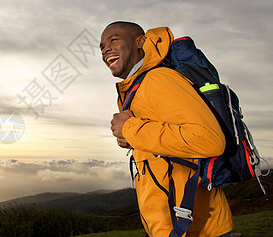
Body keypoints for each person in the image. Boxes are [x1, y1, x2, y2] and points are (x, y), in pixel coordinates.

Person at [99, 21, 234, 236]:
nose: (106, 49)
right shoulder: (138, 87)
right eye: (102, 46)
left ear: (140, 42)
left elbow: (208, 139)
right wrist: (130, 137)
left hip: (197, 228)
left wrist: (131, 128)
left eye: (113, 40)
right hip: (173, 225)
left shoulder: (159, 79)